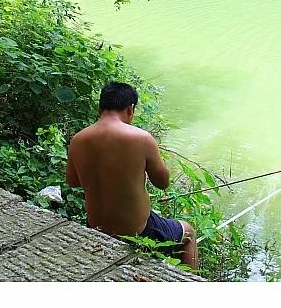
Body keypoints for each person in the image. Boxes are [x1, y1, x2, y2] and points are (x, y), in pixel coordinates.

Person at [66, 81, 199, 270]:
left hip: (95, 227)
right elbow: (163, 182)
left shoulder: (78, 139)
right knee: (189, 233)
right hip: (139, 232)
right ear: (130, 109)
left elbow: (72, 181)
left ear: (99, 108)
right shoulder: (141, 138)